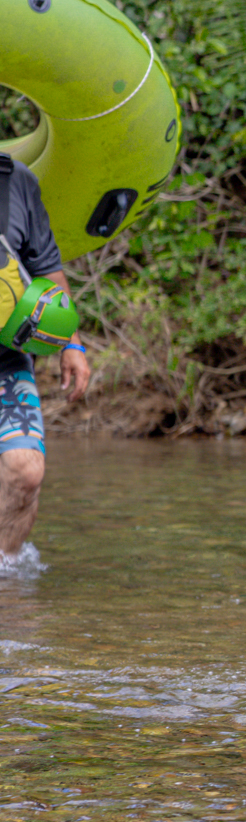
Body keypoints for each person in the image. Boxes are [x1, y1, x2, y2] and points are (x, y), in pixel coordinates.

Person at [0, 158, 91, 570]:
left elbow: (46, 268)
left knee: (26, 472)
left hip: (5, 358)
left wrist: (73, 343)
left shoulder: (16, 181)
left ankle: (7, 576)